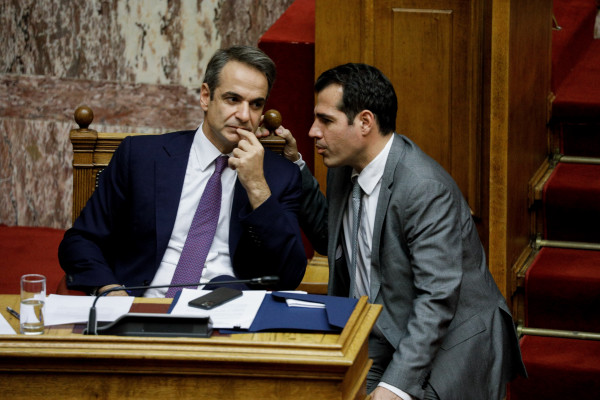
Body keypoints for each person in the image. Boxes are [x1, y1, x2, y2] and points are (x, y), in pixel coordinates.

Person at [263, 63, 526, 400]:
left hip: (450, 346)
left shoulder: (423, 188)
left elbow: (438, 298)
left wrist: (394, 387)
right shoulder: (344, 167)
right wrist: (294, 165)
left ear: (365, 122)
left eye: (325, 120)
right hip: (381, 333)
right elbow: (335, 240)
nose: (313, 131)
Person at [59, 45, 307, 297]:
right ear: (205, 96)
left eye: (255, 105)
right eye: (233, 99)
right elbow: (81, 241)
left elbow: (290, 275)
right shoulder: (141, 157)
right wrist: (110, 290)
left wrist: (256, 187)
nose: (244, 115)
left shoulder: (279, 177)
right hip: (141, 305)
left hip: (226, 309)